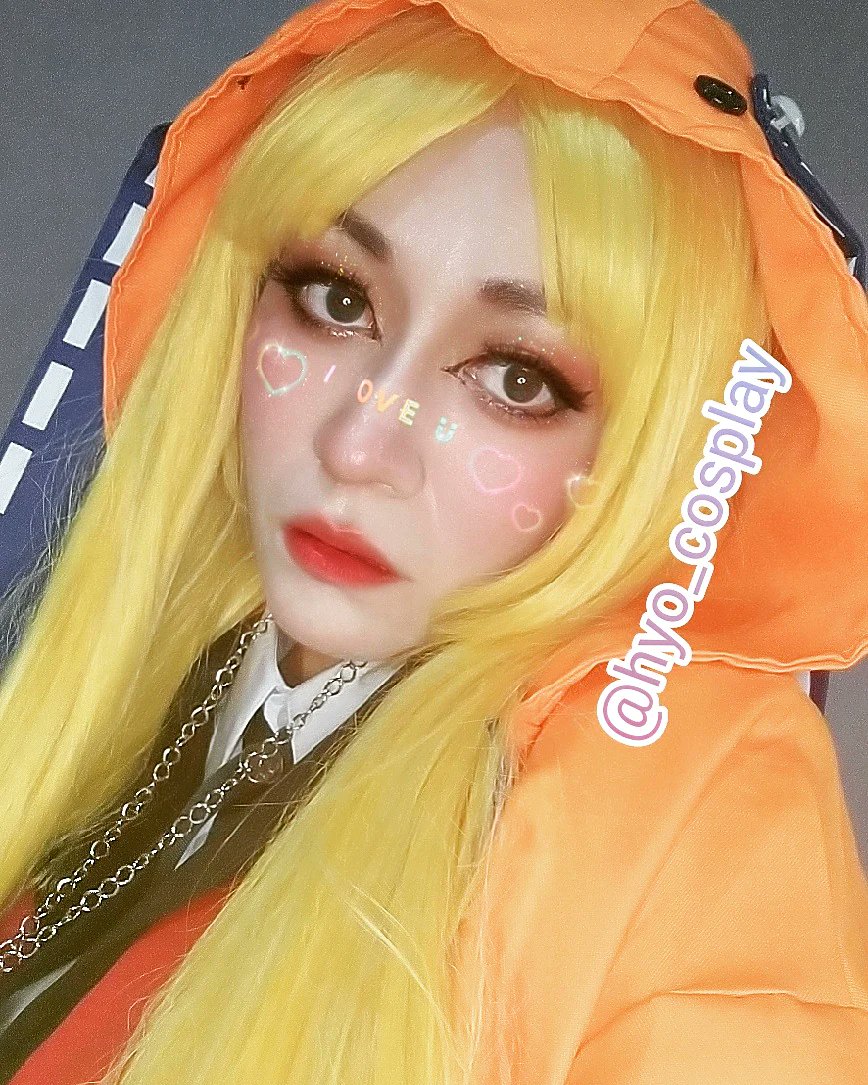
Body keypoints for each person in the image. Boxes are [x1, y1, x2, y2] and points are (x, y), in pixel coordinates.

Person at [0, 1, 865, 1082]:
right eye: (335, 298)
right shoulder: (131, 653)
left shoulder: (696, 822)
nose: (360, 443)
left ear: (654, 448)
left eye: (517, 378)